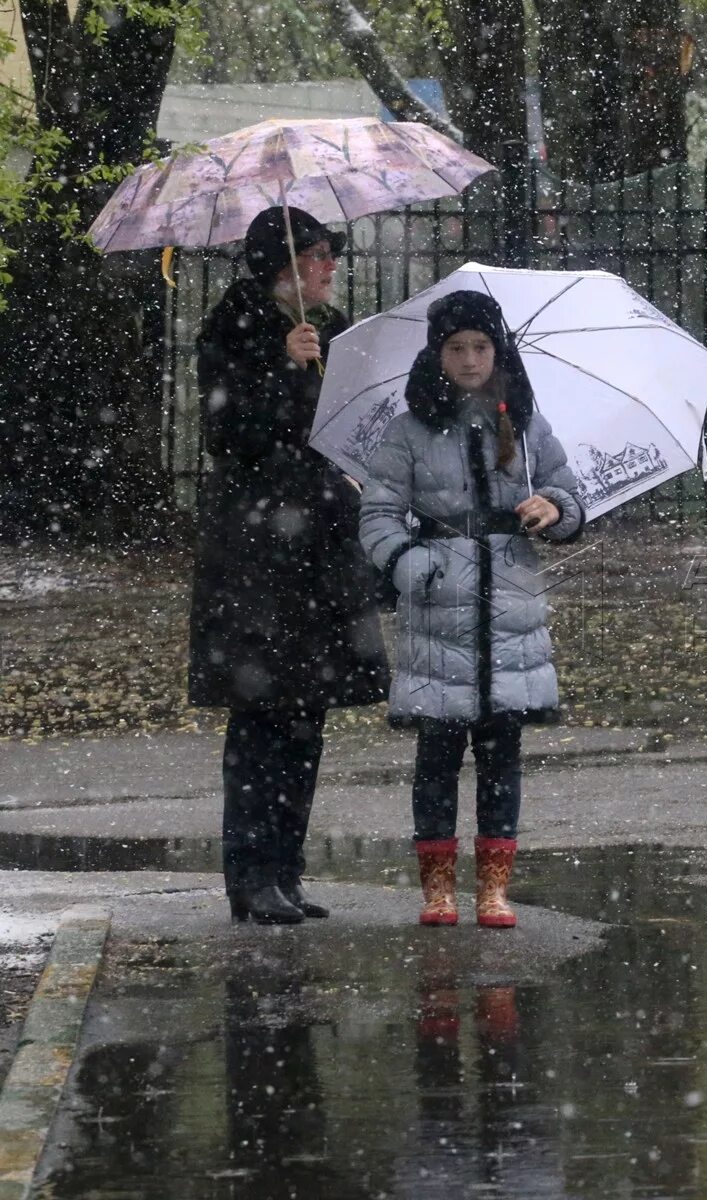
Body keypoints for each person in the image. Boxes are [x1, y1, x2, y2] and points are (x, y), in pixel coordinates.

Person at [188, 206, 390, 925]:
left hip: (322, 550)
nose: (332, 265)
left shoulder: (332, 331)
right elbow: (227, 432)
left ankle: (288, 871)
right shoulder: (235, 326)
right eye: (320, 254)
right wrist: (283, 364)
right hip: (258, 555)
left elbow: (345, 426)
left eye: (332, 254)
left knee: (307, 716)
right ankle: (251, 876)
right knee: (262, 718)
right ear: (283, 265)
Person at [359, 291, 584, 928]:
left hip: (510, 605)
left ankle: (493, 889)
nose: (469, 359)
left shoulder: (527, 423)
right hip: (438, 608)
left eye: (480, 347)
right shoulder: (408, 432)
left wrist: (556, 511)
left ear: (498, 351)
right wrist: (410, 561)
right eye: (456, 348)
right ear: (436, 354)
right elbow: (376, 514)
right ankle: (437, 890)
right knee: (436, 754)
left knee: (501, 754)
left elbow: (567, 488)